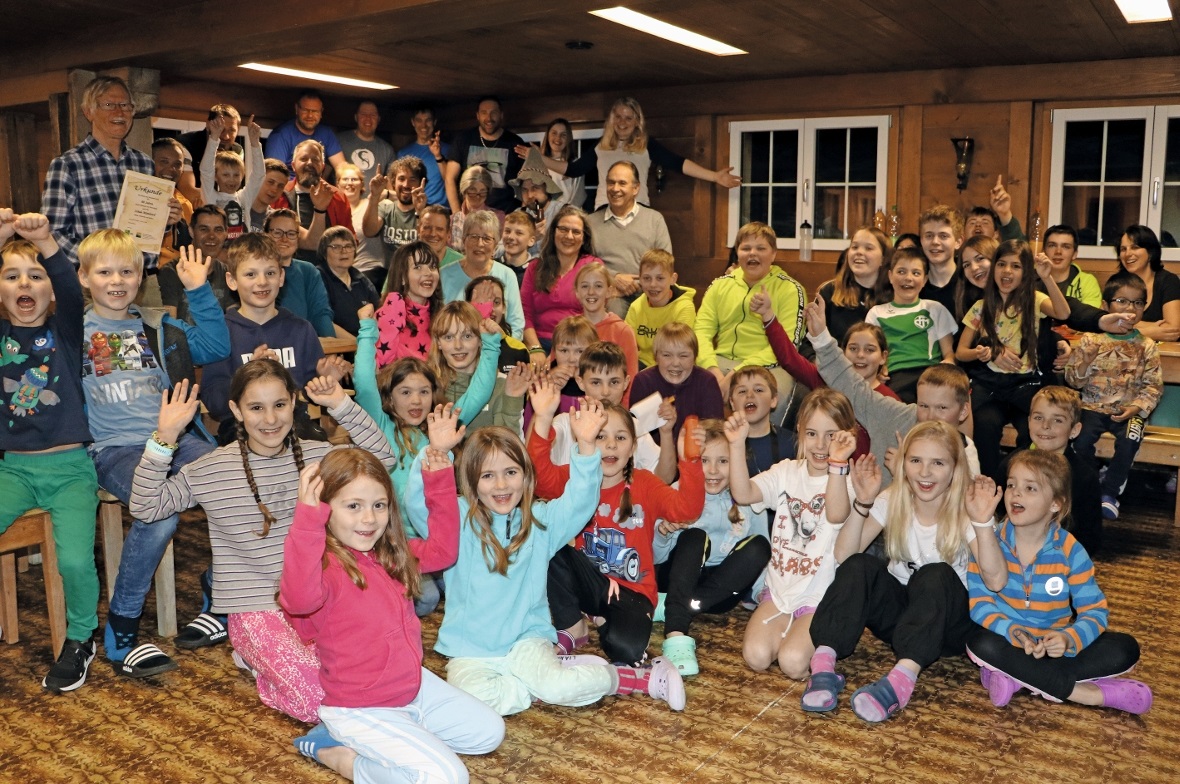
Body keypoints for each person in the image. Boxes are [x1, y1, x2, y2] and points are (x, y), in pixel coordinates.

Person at [131, 362, 394, 722]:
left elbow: (384, 460)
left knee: (368, 677)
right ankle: (258, 665)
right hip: (255, 607)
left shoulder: (320, 457)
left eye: (280, 405)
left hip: (320, 598)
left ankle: (267, 661)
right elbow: (146, 507)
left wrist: (341, 404)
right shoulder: (210, 469)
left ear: (294, 403)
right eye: (256, 407)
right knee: (319, 702)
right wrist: (164, 438)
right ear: (237, 410)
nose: (270, 419)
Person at [402, 408, 685, 716]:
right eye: (487, 475)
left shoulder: (539, 520)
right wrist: (435, 453)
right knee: (472, 705)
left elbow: (579, 502)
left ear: (526, 476)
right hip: (470, 650)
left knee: (558, 689)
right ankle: (540, 683)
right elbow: (418, 507)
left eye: (511, 472)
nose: (501, 486)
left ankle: (635, 678)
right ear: (471, 481)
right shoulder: (456, 517)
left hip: (527, 641)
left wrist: (587, 446)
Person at [282, 445, 505, 781]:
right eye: (353, 506)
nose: (369, 518)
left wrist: (439, 480)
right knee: (447, 778)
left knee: (489, 733)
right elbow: (298, 600)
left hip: (412, 688)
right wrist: (307, 520)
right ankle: (343, 757)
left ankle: (401, 737)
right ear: (325, 509)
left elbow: (443, 552)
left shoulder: (390, 556)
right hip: (361, 708)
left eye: (378, 505)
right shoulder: (322, 568)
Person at [79, 233, 230, 677]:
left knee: (235, 482)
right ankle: (122, 629)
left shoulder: (159, 329)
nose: (117, 280)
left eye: (126, 271)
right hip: (115, 451)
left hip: (178, 439)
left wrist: (199, 290)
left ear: (141, 277)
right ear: (85, 278)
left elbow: (216, 347)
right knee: (159, 512)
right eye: (104, 271)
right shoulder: (72, 336)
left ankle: (222, 592)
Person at [802, 421, 1009, 722]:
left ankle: (902, 680)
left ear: (955, 469)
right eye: (915, 461)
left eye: (937, 463)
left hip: (947, 624)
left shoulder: (967, 509)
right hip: (903, 620)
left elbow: (997, 581)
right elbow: (844, 555)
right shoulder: (894, 498)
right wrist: (863, 502)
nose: (924, 472)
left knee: (934, 573)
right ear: (904, 464)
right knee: (860, 566)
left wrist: (982, 522)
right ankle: (822, 666)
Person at [965, 450, 1151, 715]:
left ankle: (1019, 678)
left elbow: (1095, 611)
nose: (1015, 494)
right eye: (1011, 485)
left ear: (1055, 504)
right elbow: (980, 604)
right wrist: (1014, 631)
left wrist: (1068, 638)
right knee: (979, 642)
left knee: (1125, 648)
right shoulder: (988, 541)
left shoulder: (1070, 550)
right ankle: (1091, 694)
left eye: (1030, 488)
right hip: (1008, 641)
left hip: (1056, 647)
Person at [0, 211, 99, 692]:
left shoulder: (66, 331)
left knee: (77, 561)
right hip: (11, 470)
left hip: (69, 469)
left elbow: (72, 286)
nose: (25, 284)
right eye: (12, 275)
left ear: (50, 291)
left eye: (35, 276)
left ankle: (82, 637)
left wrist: (47, 242)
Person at [532, 393, 706, 666]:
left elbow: (687, 510)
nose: (611, 445)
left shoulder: (645, 483)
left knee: (624, 650)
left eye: (621, 438)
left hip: (633, 594)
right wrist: (542, 419)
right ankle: (574, 626)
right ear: (586, 439)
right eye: (600, 437)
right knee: (548, 545)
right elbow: (541, 479)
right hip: (590, 583)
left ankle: (601, 619)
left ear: (633, 446)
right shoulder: (576, 476)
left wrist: (691, 462)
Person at [726, 389, 858, 680]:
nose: (821, 444)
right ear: (799, 433)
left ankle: (822, 648)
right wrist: (736, 446)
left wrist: (838, 464)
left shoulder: (846, 478)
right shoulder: (787, 471)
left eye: (831, 435)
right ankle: (784, 625)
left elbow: (836, 514)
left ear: (847, 437)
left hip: (817, 597)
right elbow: (743, 492)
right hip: (780, 590)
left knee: (793, 662)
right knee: (756, 657)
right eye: (812, 434)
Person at [803, 296, 980, 485]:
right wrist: (821, 338)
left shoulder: (964, 450)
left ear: (962, 411)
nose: (930, 416)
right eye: (923, 405)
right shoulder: (895, 416)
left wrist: (904, 473)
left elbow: (961, 504)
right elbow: (854, 388)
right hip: (876, 510)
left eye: (942, 408)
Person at [653, 419, 771, 676]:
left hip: (717, 593)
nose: (713, 470)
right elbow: (656, 556)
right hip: (677, 576)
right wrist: (662, 533)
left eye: (723, 461)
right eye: (704, 460)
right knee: (695, 536)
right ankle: (676, 631)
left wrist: (764, 596)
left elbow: (762, 556)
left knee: (761, 546)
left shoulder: (748, 499)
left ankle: (681, 605)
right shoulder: (675, 492)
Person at [198, 232, 340, 443]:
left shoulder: (301, 329)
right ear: (232, 280)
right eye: (251, 274)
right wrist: (247, 376)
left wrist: (325, 381)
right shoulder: (222, 333)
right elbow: (215, 401)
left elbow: (310, 394)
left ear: (281, 277)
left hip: (294, 426)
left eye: (270, 273)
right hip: (240, 430)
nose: (262, 282)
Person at [956, 240, 1070, 479]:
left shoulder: (1036, 301)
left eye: (1016, 266)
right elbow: (960, 352)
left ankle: (1018, 479)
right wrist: (978, 352)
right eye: (1001, 264)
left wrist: (1048, 278)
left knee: (1032, 430)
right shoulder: (981, 306)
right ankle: (988, 483)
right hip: (990, 387)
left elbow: (1063, 313)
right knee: (985, 426)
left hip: (1025, 386)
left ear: (1026, 272)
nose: (1007, 271)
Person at [1065, 273, 1163, 521]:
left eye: (1137, 303)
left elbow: (1153, 387)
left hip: (1129, 411)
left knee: (1131, 437)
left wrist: (1136, 408)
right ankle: (1090, 484)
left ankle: (1109, 493)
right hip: (1092, 408)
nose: (1130, 308)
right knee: (1081, 438)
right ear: (1105, 307)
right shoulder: (1091, 339)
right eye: (1122, 301)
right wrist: (1085, 362)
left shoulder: (1148, 345)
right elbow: (1073, 381)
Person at [533, 97, 740, 210]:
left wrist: (714, 176)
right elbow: (573, 169)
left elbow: (678, 163)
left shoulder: (646, 145)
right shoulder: (600, 147)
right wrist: (539, 158)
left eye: (629, 118)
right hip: (604, 209)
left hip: (637, 210)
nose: (622, 123)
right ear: (612, 120)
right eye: (619, 117)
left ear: (636, 122)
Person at [695, 221, 805, 427]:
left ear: (773, 254)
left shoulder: (790, 289)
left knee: (773, 398)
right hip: (719, 362)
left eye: (761, 248)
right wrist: (712, 370)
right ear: (737, 253)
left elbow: (788, 346)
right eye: (746, 248)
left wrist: (739, 373)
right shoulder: (720, 285)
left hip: (769, 366)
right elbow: (700, 331)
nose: (752, 253)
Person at [41, 75, 157, 267]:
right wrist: (99, 263)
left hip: (143, 278)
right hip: (92, 284)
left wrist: (166, 220)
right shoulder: (68, 165)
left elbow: (150, 227)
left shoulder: (144, 164)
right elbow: (53, 232)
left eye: (126, 105)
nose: (120, 112)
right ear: (88, 112)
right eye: (109, 105)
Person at [997, 386, 1102, 553]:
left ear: (1074, 430)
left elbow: (1090, 537)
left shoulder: (1083, 477)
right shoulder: (1009, 465)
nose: (1046, 426)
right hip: (1012, 552)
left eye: (1057, 420)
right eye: (1038, 417)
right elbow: (999, 515)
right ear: (1029, 421)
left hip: (1061, 559)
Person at [866, 246, 958, 403]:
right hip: (895, 374)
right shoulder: (876, 313)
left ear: (925, 280)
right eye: (901, 271)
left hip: (930, 374)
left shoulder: (935, 309)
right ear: (890, 276)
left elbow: (949, 353)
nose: (908, 278)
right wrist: (879, 370)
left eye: (916, 273)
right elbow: (872, 351)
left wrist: (948, 362)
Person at [591, 161, 673, 316]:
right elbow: (584, 265)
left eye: (622, 183)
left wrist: (638, 283)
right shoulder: (591, 223)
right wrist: (614, 279)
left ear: (636, 188)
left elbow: (665, 264)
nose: (615, 189)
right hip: (610, 295)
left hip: (649, 292)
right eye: (611, 183)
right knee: (613, 313)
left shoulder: (654, 220)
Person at [428, 300, 525, 431]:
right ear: (438, 343)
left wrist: (513, 400)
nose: (458, 346)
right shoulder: (427, 385)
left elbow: (509, 443)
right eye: (449, 337)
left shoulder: (501, 384)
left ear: (480, 340)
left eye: (467, 336)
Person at [521, 205, 601, 356]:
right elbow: (525, 314)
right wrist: (535, 349)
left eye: (576, 232)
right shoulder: (535, 267)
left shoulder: (592, 267)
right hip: (538, 343)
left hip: (578, 345)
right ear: (553, 233)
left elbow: (596, 313)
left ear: (584, 238)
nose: (569, 236)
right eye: (563, 229)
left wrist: (566, 351)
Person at [631, 323, 724, 446]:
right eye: (667, 355)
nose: (675, 363)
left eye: (683, 356)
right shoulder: (643, 381)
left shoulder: (707, 382)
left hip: (699, 457)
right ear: (656, 357)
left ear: (695, 357)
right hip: (653, 460)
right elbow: (635, 434)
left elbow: (716, 435)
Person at [439, 210, 525, 339]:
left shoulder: (507, 275)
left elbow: (516, 326)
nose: (479, 244)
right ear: (463, 241)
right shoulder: (444, 274)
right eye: (474, 237)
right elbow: (437, 321)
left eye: (486, 238)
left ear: (495, 245)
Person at [269, 139, 353, 263]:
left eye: (315, 160)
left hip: (328, 271)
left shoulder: (337, 197)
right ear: (293, 165)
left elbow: (349, 239)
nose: (309, 163)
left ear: (323, 166)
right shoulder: (279, 194)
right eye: (304, 159)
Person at [263, 209, 339, 338]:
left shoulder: (308, 271)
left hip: (304, 344)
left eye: (291, 234)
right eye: (277, 233)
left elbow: (320, 313)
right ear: (265, 235)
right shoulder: (256, 272)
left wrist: (331, 347)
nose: (284, 239)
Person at [445, 96, 525, 214]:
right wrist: (457, 214)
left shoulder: (515, 142)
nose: (489, 118)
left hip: (505, 216)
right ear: (477, 115)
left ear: (501, 115)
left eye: (494, 112)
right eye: (484, 113)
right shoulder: (463, 139)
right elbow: (449, 178)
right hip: (470, 215)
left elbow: (526, 181)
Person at [158, 204, 237, 320]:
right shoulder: (170, 272)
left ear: (226, 234)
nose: (211, 236)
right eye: (204, 229)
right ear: (191, 231)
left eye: (218, 230)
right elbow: (170, 327)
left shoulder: (227, 274)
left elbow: (235, 321)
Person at [817, 227, 892, 345]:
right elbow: (809, 342)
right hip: (835, 362)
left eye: (868, 248)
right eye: (855, 247)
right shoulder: (829, 291)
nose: (859, 252)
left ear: (883, 258)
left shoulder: (894, 295)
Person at [373, 241, 442, 366]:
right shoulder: (388, 313)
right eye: (418, 267)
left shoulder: (443, 316)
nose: (428, 273)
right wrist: (394, 305)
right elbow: (382, 363)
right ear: (402, 277)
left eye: (432, 267)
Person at [625, 249, 696, 369]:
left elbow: (679, 350)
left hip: (673, 365)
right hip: (642, 365)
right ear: (640, 279)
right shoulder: (636, 307)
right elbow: (626, 344)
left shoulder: (684, 308)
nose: (653, 284)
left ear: (673, 279)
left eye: (660, 278)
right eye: (647, 278)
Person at [199, 114, 264, 240]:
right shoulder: (211, 197)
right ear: (216, 177)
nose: (231, 179)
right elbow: (205, 171)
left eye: (236, 175)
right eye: (225, 175)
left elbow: (259, 175)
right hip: (219, 249)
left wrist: (255, 143)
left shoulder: (244, 196)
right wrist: (214, 138)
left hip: (242, 251)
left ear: (242, 176)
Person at [574, 262, 639, 386]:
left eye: (598, 286)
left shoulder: (623, 331)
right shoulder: (570, 328)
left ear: (609, 291)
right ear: (577, 292)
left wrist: (620, 406)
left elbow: (631, 380)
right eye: (585, 286)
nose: (591, 292)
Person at [1114, 224, 1180, 342]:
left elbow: (1173, 330)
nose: (1128, 254)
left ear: (1150, 252)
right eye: (1123, 249)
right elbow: (1106, 322)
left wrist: (1128, 328)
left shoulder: (1168, 281)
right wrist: (1151, 330)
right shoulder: (1117, 283)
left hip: (1163, 355)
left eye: (1135, 247)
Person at [264, 89, 346, 180]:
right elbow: (275, 174)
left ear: (321, 112)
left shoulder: (326, 133)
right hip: (289, 190)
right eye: (305, 110)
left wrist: (349, 179)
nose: (310, 115)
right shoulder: (280, 135)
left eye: (315, 111)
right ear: (297, 109)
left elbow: (342, 167)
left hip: (316, 188)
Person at [315, 226, 379, 337]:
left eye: (348, 246)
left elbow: (380, 314)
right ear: (324, 251)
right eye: (336, 247)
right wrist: (358, 345)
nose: (344, 251)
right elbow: (322, 321)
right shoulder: (317, 277)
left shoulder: (361, 279)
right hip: (337, 348)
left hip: (367, 344)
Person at [363, 155, 427, 264]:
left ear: (421, 183)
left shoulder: (429, 213)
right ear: (393, 182)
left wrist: (419, 213)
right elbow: (369, 231)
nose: (406, 185)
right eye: (401, 179)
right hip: (390, 274)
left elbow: (427, 247)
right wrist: (374, 196)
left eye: (412, 180)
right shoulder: (386, 208)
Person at [334, 162, 387, 292]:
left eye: (354, 179)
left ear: (362, 184)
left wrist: (385, 194)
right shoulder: (333, 209)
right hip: (342, 273)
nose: (350, 183)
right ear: (337, 184)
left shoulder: (373, 204)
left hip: (371, 271)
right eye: (345, 179)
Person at [176, 103, 242, 202]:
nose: (226, 136)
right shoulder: (186, 145)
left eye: (232, 130)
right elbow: (188, 191)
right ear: (208, 124)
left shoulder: (237, 150)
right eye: (221, 129)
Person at [465, 275, 531, 371]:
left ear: (504, 307)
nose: (490, 309)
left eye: (496, 302)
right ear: (467, 307)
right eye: (481, 303)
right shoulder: (460, 346)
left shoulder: (518, 349)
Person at [511, 147, 566, 254]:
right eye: (525, 190)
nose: (530, 195)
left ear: (547, 188)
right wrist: (530, 240)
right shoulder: (517, 214)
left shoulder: (565, 213)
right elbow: (500, 249)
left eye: (535, 188)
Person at [917, 205, 966, 324]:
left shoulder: (969, 284)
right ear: (921, 241)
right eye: (929, 236)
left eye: (943, 236)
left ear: (958, 242)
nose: (935, 242)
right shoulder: (914, 284)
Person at [151, 138, 195, 268]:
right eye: (164, 162)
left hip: (177, 276)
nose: (171, 169)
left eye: (177, 164)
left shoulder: (185, 205)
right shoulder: (138, 197)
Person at [397, 105, 452, 207]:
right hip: (413, 208)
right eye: (419, 120)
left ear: (434, 122)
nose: (424, 125)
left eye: (428, 120)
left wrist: (438, 155)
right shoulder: (403, 154)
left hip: (440, 209)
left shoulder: (447, 150)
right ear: (413, 122)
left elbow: (450, 180)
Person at [336, 100, 394, 187]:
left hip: (375, 200)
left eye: (373, 115)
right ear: (356, 117)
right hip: (342, 200)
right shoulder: (339, 141)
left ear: (378, 119)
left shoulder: (387, 150)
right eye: (363, 114)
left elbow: (390, 187)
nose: (368, 119)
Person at [1043, 225, 1101, 307]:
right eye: (1052, 245)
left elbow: (1089, 315)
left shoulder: (1087, 282)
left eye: (1066, 247)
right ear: (1044, 251)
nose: (1058, 251)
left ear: (1074, 254)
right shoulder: (1030, 280)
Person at [449, 166, 504, 251]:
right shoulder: (452, 220)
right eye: (473, 191)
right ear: (464, 191)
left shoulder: (498, 217)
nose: (477, 196)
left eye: (482, 192)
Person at [539, 118, 586, 209]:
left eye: (563, 135)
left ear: (568, 138)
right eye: (554, 133)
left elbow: (579, 197)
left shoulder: (575, 165)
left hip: (567, 216)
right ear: (547, 135)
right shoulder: (539, 163)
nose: (558, 138)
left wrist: (565, 214)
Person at [496, 210, 537, 287]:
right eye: (507, 231)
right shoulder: (492, 266)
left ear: (531, 241)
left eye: (519, 233)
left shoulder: (538, 272)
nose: (511, 237)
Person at [249, 158, 290, 233]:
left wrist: (318, 209)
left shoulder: (277, 219)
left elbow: (309, 242)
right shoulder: (235, 207)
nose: (274, 190)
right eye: (270, 182)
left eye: (280, 186)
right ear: (257, 179)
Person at [418, 204, 464, 269]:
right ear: (418, 230)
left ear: (448, 234)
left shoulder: (462, 264)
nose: (433, 234)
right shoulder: (406, 260)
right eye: (427, 228)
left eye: (439, 229)